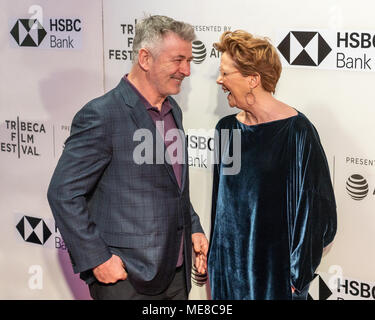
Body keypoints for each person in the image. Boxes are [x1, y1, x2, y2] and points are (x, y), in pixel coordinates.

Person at [47, 15, 208, 300]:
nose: (186, 70)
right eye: (178, 60)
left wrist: (193, 227)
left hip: (176, 274)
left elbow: (174, 186)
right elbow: (63, 192)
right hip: (127, 280)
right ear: (145, 58)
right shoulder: (102, 114)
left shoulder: (173, 111)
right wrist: (97, 259)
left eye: (189, 61)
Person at [207, 30, 337, 300]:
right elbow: (221, 208)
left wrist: (295, 278)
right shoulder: (226, 129)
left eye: (225, 73)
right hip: (229, 279)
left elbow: (319, 214)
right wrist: (216, 265)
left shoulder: (298, 132)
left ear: (252, 79)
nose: (219, 80)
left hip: (275, 283)